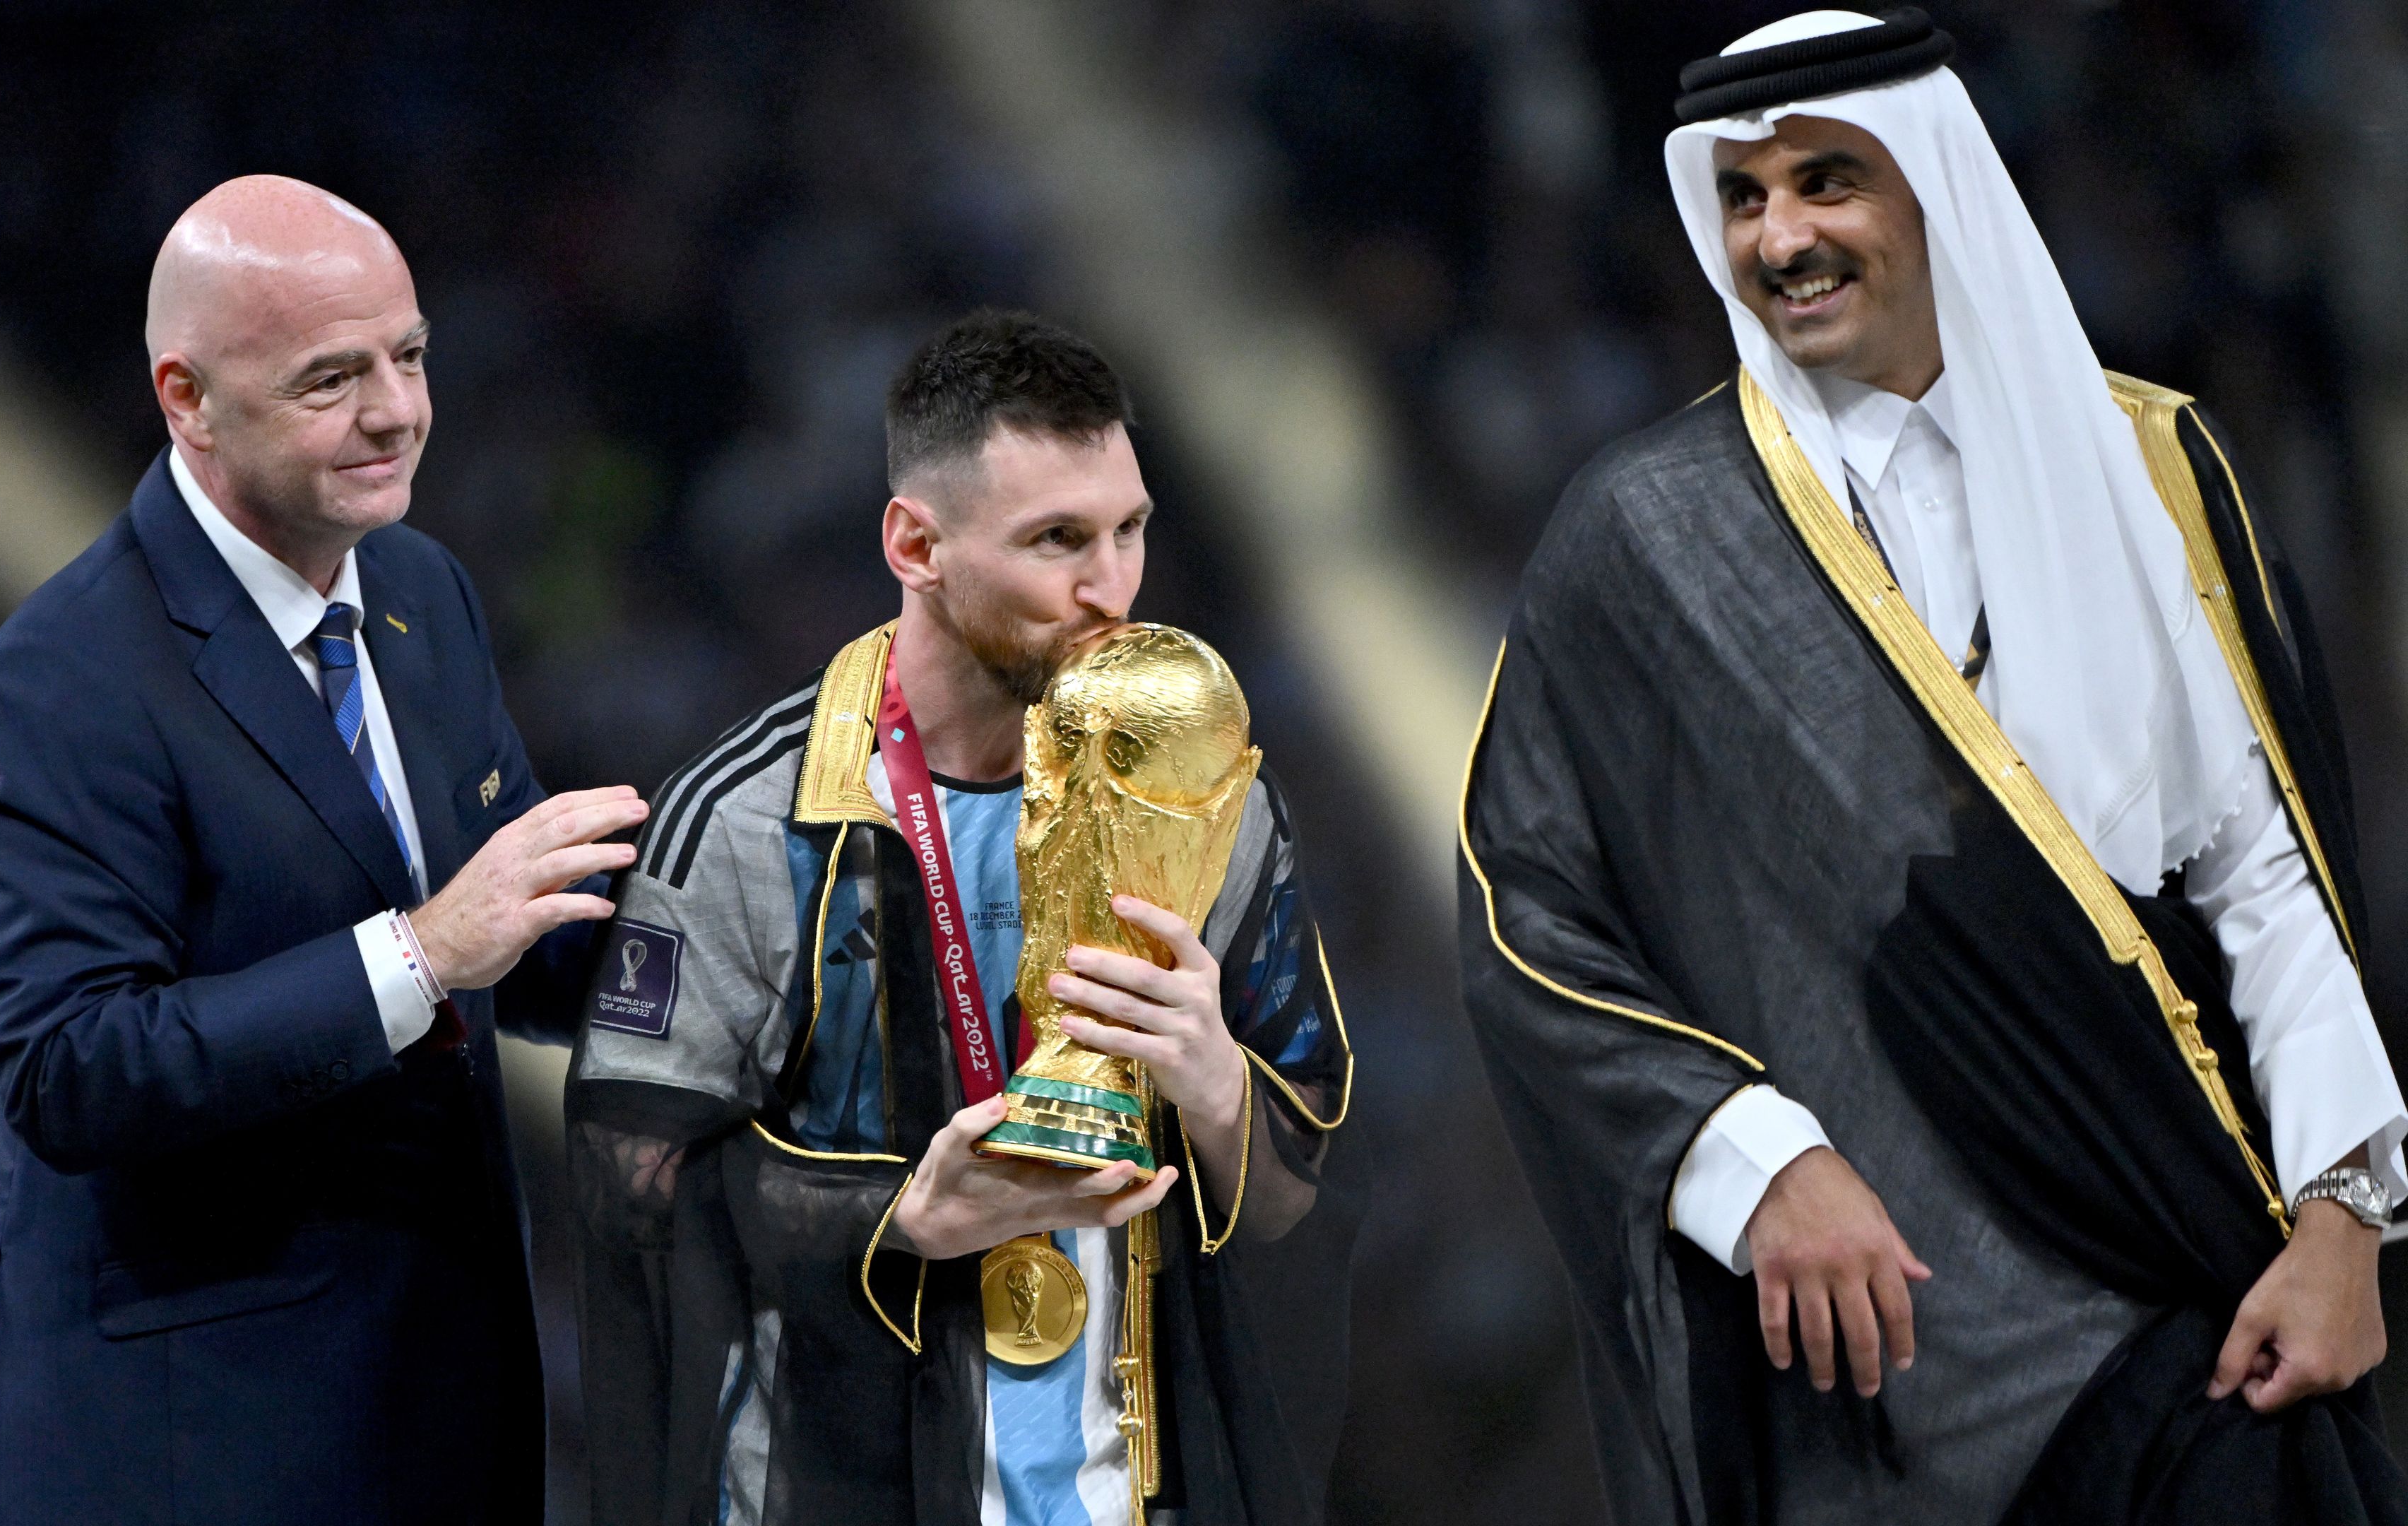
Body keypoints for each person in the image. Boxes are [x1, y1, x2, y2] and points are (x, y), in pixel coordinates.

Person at [1459, 11, 2408, 1524]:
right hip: (1901, 1381)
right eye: (1746, 198)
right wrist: (1751, 1156)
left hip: (2210, 1297)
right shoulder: (1649, 538)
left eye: (1828, 182)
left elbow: (2263, 876)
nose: (1781, 237)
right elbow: (1530, 922)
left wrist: (2347, 1220)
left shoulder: (2156, 465)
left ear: (1937, 189)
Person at [0, 175, 645, 1524]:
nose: (396, 409)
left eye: (411, 354)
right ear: (186, 397)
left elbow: (523, 929)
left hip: (430, 1411)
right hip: (186, 1451)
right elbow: (72, 1070)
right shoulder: (57, 687)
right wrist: (426, 953)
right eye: (331, 378)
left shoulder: (419, 588)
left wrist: (772, 939)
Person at [568, 309, 1357, 1526]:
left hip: (1127, 1494)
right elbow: (629, 1186)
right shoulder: (747, 820)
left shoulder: (1212, 800)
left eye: (1130, 530)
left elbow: (1306, 1178)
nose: (1113, 589)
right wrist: (897, 1217)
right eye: (1058, 541)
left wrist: (1216, 1093)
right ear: (915, 544)